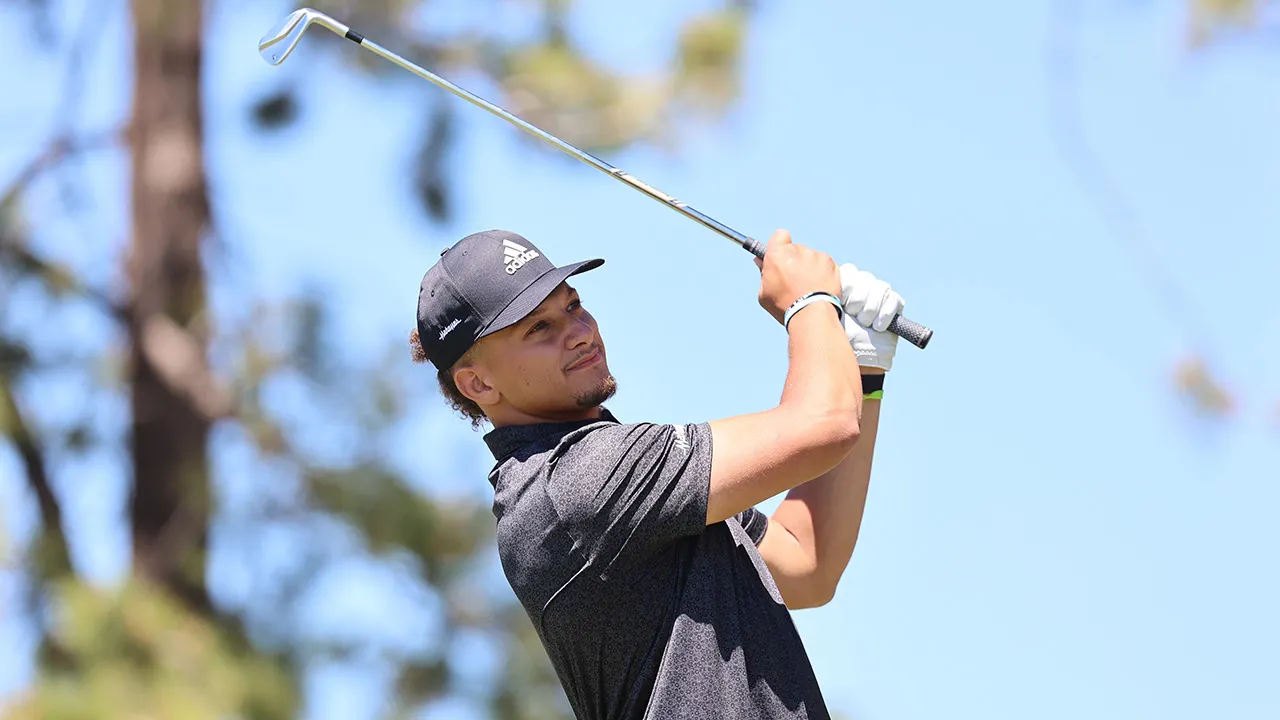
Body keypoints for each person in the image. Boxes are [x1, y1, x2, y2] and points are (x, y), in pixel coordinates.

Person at [409, 227, 904, 720]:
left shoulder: (614, 486)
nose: (580, 332)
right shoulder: (575, 481)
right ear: (478, 383)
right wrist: (811, 304)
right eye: (538, 328)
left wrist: (860, 373)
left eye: (573, 304)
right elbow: (823, 424)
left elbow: (804, 564)